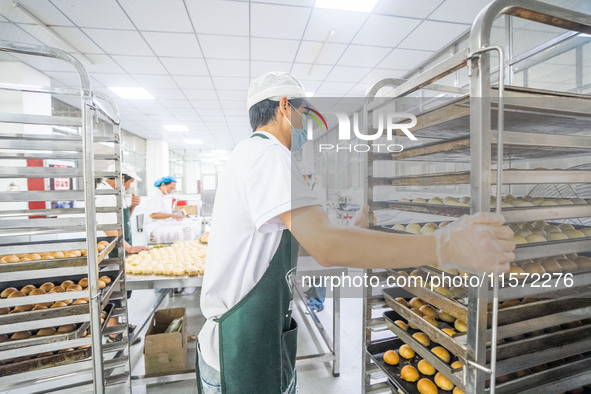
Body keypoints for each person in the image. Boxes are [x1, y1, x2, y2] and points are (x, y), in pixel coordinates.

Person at [197, 72, 515, 394]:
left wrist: (350, 232)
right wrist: (447, 245)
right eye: (303, 114)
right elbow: (326, 247)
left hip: (249, 341)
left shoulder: (248, 154)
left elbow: (296, 239)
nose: (305, 124)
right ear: (284, 107)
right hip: (240, 348)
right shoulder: (269, 155)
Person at [96, 163, 148, 343]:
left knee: (120, 291)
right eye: (129, 182)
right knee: (113, 291)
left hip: (117, 249)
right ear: (121, 178)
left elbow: (121, 223)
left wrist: (132, 207)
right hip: (108, 251)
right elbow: (110, 230)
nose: (128, 186)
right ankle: (113, 333)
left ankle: (120, 325)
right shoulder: (105, 197)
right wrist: (130, 248)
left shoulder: (113, 194)